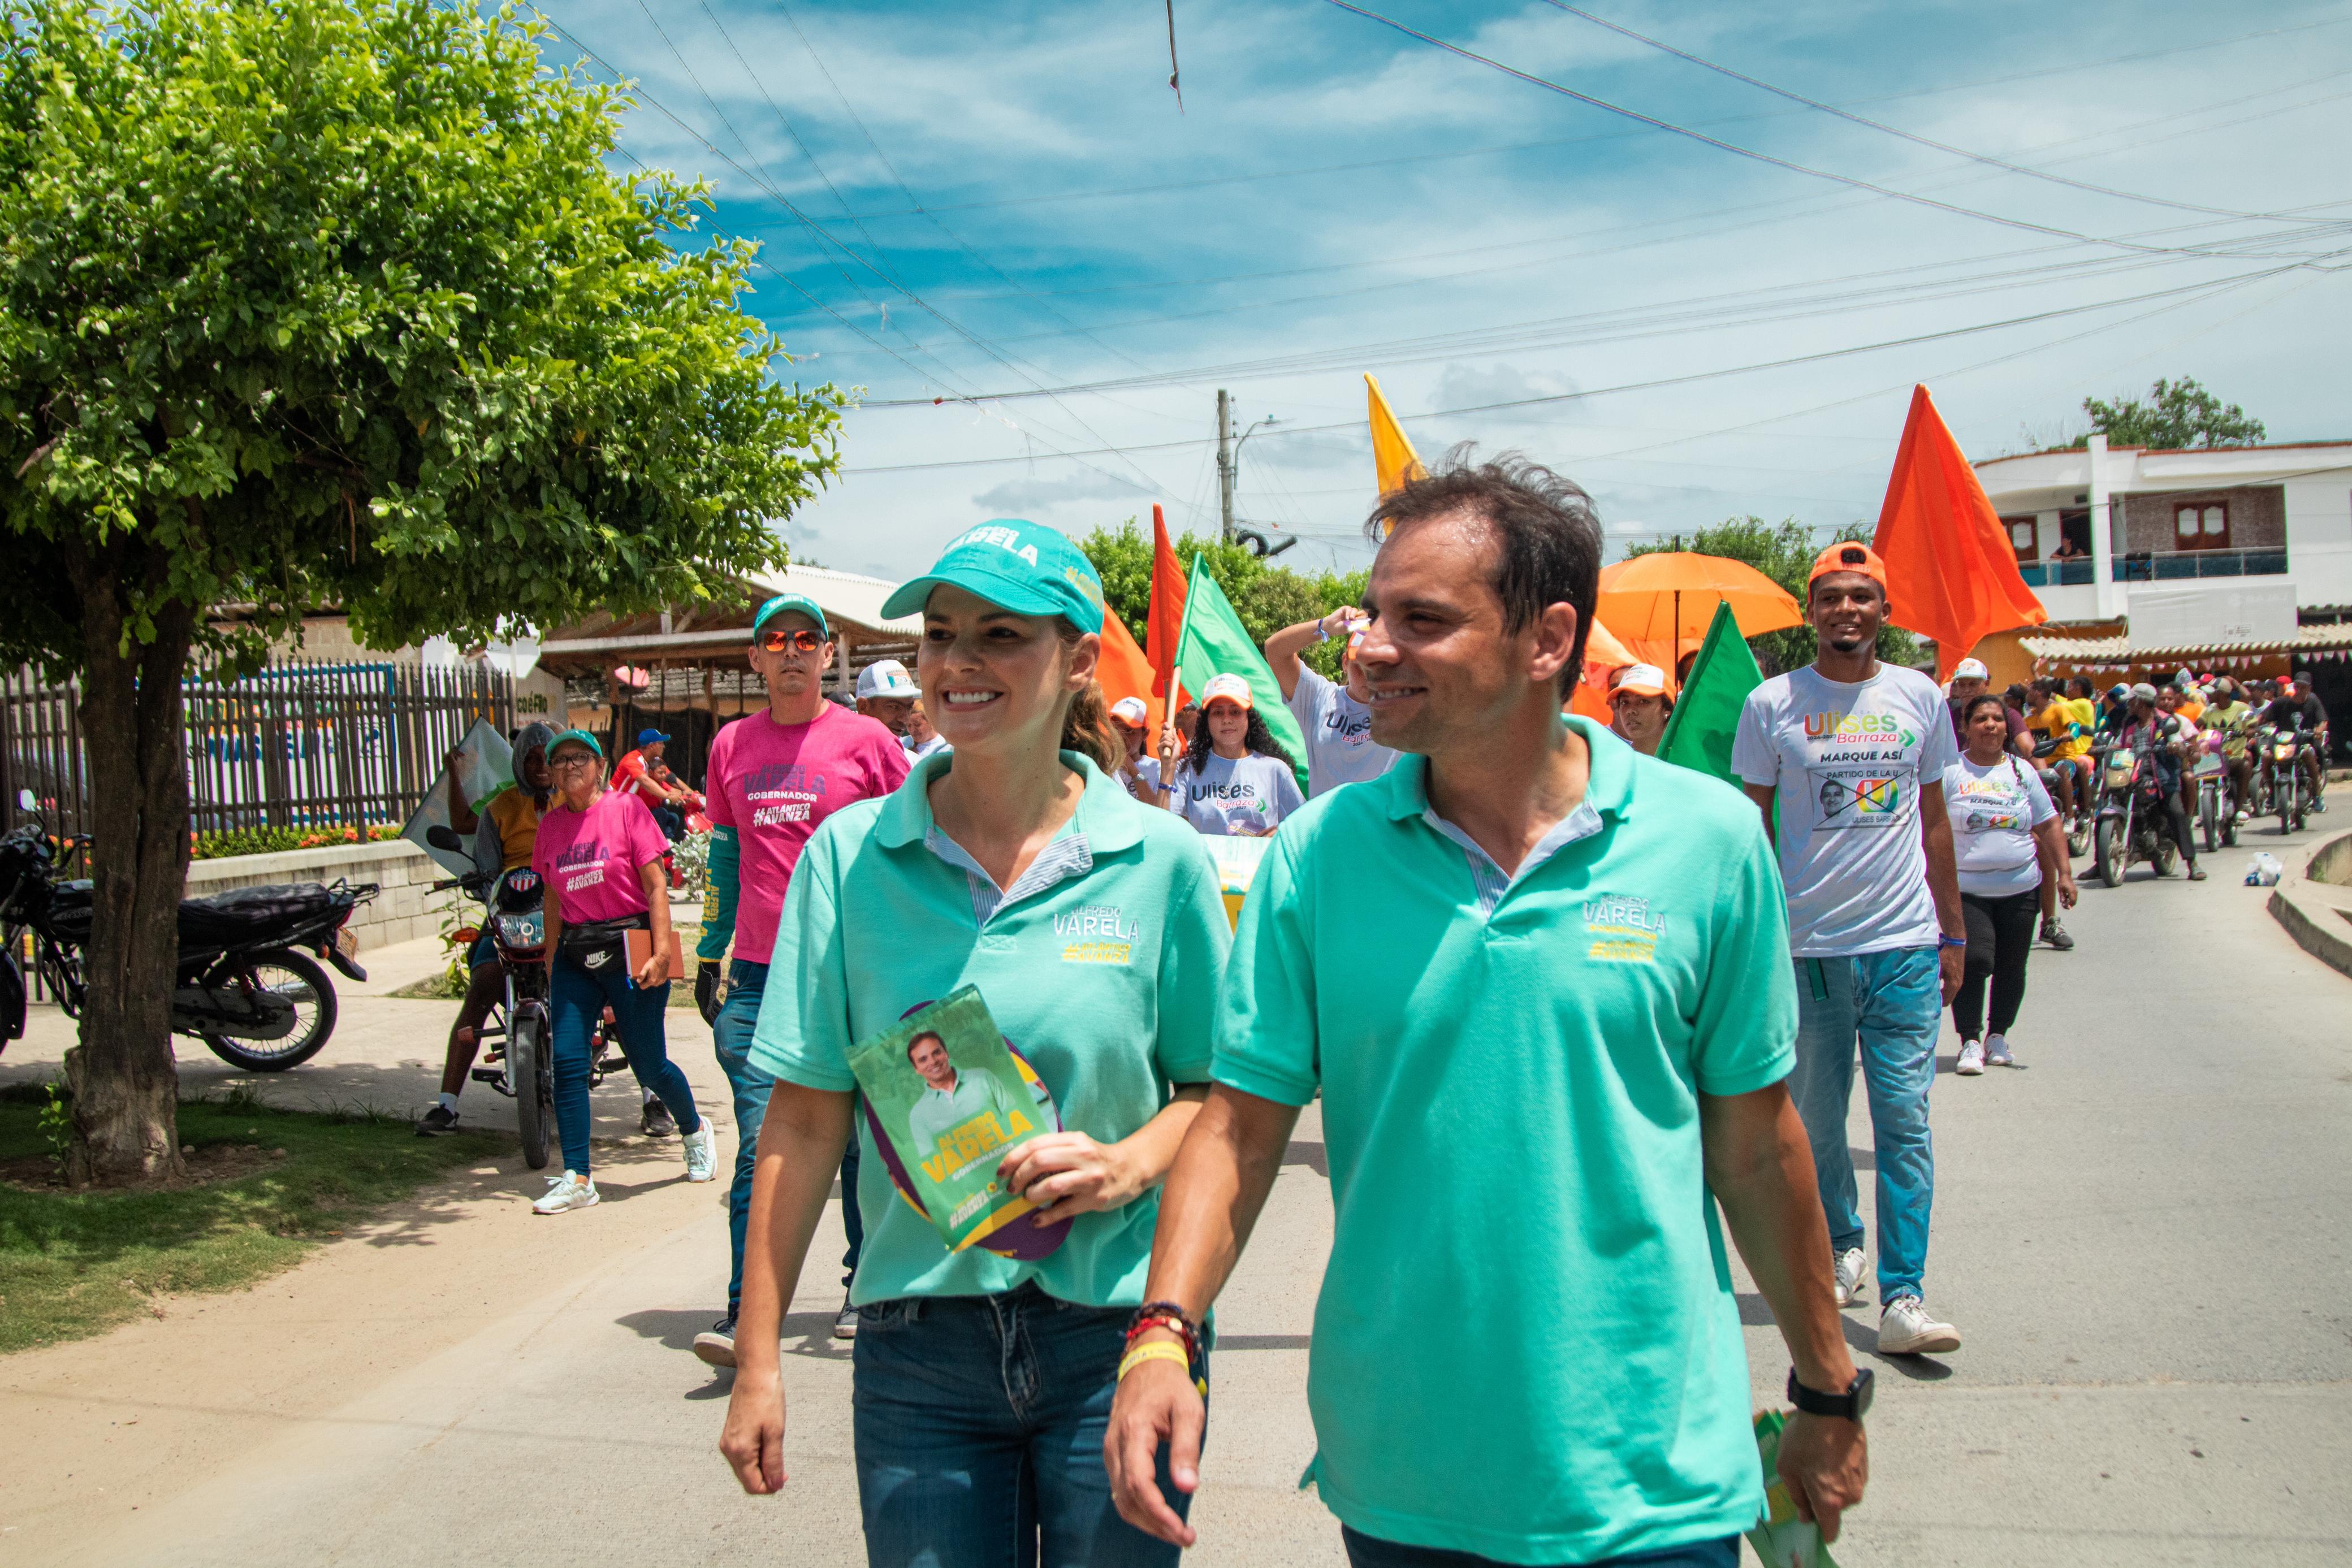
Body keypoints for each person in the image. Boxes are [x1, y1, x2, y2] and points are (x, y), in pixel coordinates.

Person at [1106, 451, 1867, 1567]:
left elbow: (1755, 1149)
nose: (1368, 647)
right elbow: (1240, 1126)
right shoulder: (1319, 856)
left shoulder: (1706, 842)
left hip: (1658, 1482)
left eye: (1420, 619)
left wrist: (1827, 1389)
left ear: (1548, 640)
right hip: (1408, 1479)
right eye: (1372, 613)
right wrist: (1161, 1335)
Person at [717, 518, 1233, 1567]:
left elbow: (1218, 1095)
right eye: (941, 632)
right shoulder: (850, 860)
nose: (958, 662)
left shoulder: (1159, 860)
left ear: (1080, 657)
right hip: (920, 1347)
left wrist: (1127, 1161)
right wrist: (758, 1355)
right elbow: (807, 1118)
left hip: (1118, 1335)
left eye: (1000, 634)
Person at [1732, 540, 1968, 1356]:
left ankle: (1906, 1295)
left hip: (1904, 945)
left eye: (1862, 597)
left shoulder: (1920, 696)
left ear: (1884, 612)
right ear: (1811, 612)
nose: (1846, 610)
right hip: (1810, 954)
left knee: (1904, 1120)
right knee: (1819, 1122)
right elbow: (1748, 829)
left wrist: (1954, 927)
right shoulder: (1771, 705)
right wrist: (1753, 936)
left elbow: (1935, 820)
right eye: (1831, 597)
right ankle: (1843, 1242)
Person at [694, 592, 911, 1365]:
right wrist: (709, 950)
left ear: (828, 654)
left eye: (807, 639)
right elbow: (724, 854)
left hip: (852, 970)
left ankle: (865, 1283)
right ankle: (742, 1311)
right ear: (755, 658)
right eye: (776, 639)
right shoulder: (730, 746)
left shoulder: (869, 741)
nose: (792, 650)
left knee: (859, 1142)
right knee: (762, 1145)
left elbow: (907, 842)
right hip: (758, 979)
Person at [529, 729, 715, 1214]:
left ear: (599, 765)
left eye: (580, 758)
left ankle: (694, 1129)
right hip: (576, 952)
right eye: (560, 759)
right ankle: (578, 1177)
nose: (569, 766)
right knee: (568, 1063)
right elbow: (551, 899)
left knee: (648, 1062)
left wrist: (660, 952)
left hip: (631, 946)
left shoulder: (627, 811)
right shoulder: (550, 827)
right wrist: (551, 961)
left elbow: (656, 886)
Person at [416, 721, 557, 1137]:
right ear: (518, 763)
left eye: (546, 758)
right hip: (511, 914)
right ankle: (446, 1105)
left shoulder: (575, 802)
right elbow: (486, 865)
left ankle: (651, 1097)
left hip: (566, 910)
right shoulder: (499, 808)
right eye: (530, 759)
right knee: (481, 989)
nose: (540, 767)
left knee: (609, 983)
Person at [1945, 694, 2078, 1075]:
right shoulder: (1953, 770)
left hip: (2021, 888)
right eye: (1981, 719)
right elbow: (1932, 826)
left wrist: (2065, 873)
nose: (1991, 725)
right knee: (1974, 960)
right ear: (1965, 727)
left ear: (2007, 727)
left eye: (1998, 719)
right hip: (1966, 890)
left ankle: (1998, 1036)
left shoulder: (2022, 772)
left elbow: (2050, 823)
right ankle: (1970, 1039)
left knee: (2011, 966)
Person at [1264, 607, 1398, 796]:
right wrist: (1325, 626)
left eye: (1377, 666)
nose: (1369, 677)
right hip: (1326, 824)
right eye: (1360, 666)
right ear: (1345, 662)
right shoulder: (1319, 696)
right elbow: (1275, 650)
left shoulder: (1404, 705)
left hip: (1382, 824)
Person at [1165, 673, 1303, 836]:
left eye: (1235, 712)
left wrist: (1280, 833)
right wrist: (1168, 768)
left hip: (1261, 862)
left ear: (1249, 717)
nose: (1227, 720)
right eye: (1218, 713)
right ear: (1206, 720)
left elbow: (1305, 827)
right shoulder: (1186, 770)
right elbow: (1163, 827)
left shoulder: (1276, 770)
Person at [2117, 684, 2206, 880]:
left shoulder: (2166, 722)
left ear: (2141, 702)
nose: (2129, 704)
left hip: (2162, 779)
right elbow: (2119, 743)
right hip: (2132, 776)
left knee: (2176, 813)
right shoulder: (2129, 723)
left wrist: (2176, 747)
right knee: (2110, 806)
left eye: (2132, 700)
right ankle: (2101, 864)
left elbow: (2180, 744)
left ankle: (2193, 863)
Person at [2262, 674, 2329, 805]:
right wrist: (2251, 724)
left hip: (2304, 741)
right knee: (2266, 756)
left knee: (2308, 754)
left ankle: (2317, 796)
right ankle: (2272, 794)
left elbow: (2323, 720)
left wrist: (2319, 729)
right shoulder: (2281, 702)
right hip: (2282, 742)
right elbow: (2263, 718)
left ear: (2309, 689)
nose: (2299, 690)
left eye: (2303, 687)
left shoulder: (2313, 701)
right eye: (2297, 686)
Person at [615, 727, 691, 841]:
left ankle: (666, 846)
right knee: (661, 813)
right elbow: (645, 781)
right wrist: (668, 795)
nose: (664, 746)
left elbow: (669, 777)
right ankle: (659, 848)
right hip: (616, 809)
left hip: (630, 809)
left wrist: (689, 792)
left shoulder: (652, 761)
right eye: (661, 743)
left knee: (673, 818)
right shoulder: (633, 760)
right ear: (652, 746)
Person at [1945, 657, 2030, 759]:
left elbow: (2028, 749)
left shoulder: (2007, 715)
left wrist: (2044, 773)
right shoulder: (1948, 718)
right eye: (1962, 685)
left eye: (1973, 684)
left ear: (1986, 684)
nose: (1967, 690)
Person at [1106, 694, 1169, 806]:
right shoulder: (1102, 764)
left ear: (1145, 734)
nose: (1121, 737)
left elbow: (1158, 812)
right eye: (1116, 729)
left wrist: (1134, 772)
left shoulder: (1157, 768)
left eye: (1129, 731)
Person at [1605, 662, 1672, 756]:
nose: (1631, 711)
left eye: (1643, 701)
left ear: (1667, 709)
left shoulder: (1686, 761)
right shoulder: (1613, 761)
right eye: (1625, 702)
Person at [855, 657, 920, 739]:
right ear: (863, 707)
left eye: (909, 708)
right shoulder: (840, 751)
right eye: (894, 707)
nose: (905, 719)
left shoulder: (905, 752)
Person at [903, 698, 948, 762]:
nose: (912, 730)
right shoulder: (902, 743)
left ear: (932, 721)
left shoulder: (945, 747)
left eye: (917, 724)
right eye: (909, 725)